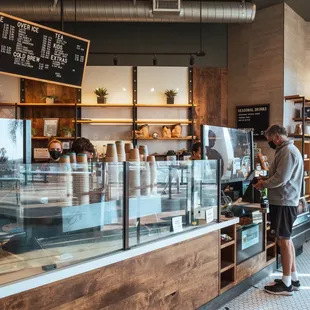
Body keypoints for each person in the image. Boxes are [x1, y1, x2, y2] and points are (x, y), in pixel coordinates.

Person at [254, 125, 303, 296]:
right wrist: (266, 178)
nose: (270, 144)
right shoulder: (286, 150)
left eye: (269, 141)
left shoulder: (287, 151)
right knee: (286, 241)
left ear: (276, 138)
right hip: (285, 201)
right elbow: (279, 175)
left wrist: (264, 184)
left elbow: (282, 178)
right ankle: (294, 280)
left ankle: (286, 284)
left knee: (283, 241)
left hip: (284, 202)